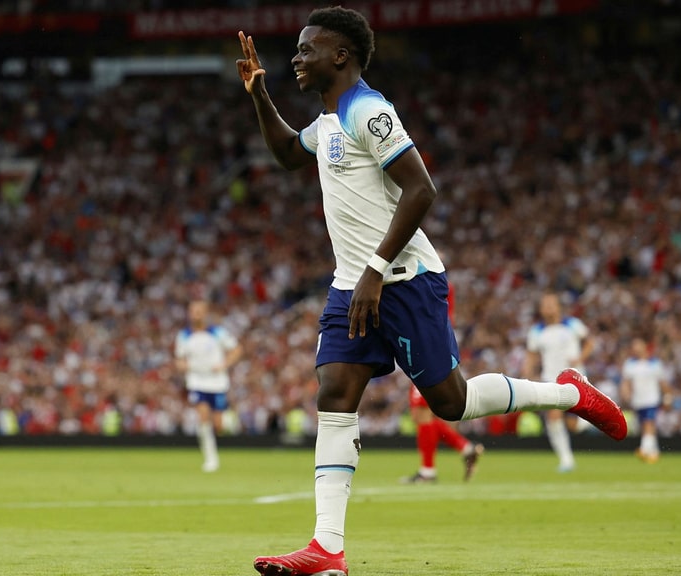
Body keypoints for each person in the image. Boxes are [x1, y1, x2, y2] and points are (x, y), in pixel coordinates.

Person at [237, 8, 627, 575]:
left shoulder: (369, 112)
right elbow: (286, 153)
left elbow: (422, 189)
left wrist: (375, 269)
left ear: (340, 55)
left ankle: (570, 394)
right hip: (351, 285)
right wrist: (258, 93)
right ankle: (326, 549)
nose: (296, 58)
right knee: (335, 393)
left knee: (452, 403)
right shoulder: (327, 123)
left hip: (403, 279)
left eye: (306, 49)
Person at [523, 292, 594, 473]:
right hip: (551, 379)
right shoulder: (536, 331)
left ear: (558, 306)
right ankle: (566, 460)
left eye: (551, 304)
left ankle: (592, 421)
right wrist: (527, 376)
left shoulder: (572, 324)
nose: (548, 308)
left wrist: (580, 358)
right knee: (553, 418)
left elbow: (589, 342)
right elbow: (531, 356)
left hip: (575, 378)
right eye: (544, 305)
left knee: (573, 425)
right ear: (540, 309)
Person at [174, 299, 243, 472]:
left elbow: (236, 350)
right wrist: (184, 366)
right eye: (193, 311)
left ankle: (231, 420)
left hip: (217, 383)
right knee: (203, 417)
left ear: (205, 314)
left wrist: (224, 364)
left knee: (219, 426)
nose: (195, 315)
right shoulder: (184, 336)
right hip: (197, 382)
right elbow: (179, 360)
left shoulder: (217, 333)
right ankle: (210, 458)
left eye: (199, 311)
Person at [400, 383, 484, 483]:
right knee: (425, 419)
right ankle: (467, 448)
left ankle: (427, 471)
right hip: (421, 376)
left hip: (424, 376)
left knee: (423, 416)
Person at [620, 337, 670, 463]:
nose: (635, 348)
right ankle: (654, 452)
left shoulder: (655, 363)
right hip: (638, 400)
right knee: (645, 426)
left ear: (644, 346)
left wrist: (667, 397)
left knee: (649, 423)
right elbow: (626, 382)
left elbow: (663, 383)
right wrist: (626, 393)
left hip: (651, 399)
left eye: (637, 345)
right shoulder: (630, 364)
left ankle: (644, 449)